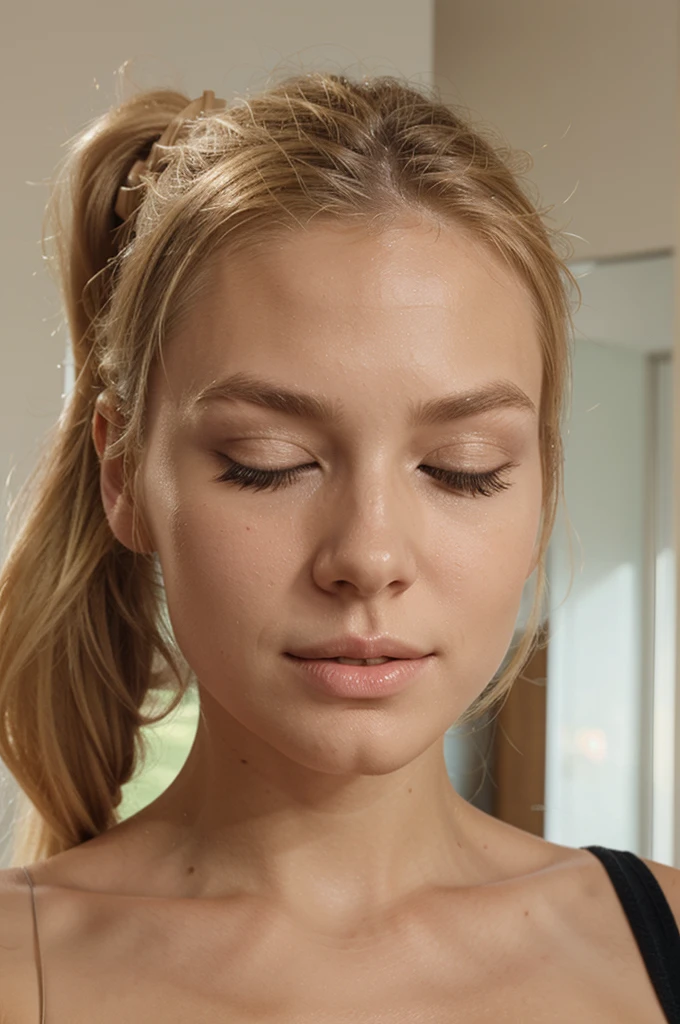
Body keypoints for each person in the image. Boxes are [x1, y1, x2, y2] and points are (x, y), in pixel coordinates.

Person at [0, 70, 677, 1023]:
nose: (369, 555)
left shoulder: (664, 942)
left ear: (543, 485)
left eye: (462, 468)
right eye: (266, 462)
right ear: (124, 476)